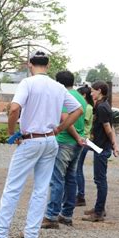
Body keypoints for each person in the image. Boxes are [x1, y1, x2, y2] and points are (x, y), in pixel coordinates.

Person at [0, 51, 83, 238]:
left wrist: (11, 133)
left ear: (30, 64)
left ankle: (0, 232)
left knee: (13, 186)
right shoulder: (58, 87)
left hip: (30, 139)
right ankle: (31, 234)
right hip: (50, 140)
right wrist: (60, 127)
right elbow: (78, 110)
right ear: (48, 64)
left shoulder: (28, 83)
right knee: (41, 188)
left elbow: (15, 108)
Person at [41, 71, 87, 229]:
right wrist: (79, 138)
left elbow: (65, 118)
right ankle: (67, 214)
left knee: (57, 179)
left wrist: (72, 135)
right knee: (71, 178)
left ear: (58, 83)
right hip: (78, 144)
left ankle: (51, 216)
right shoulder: (81, 97)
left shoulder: (62, 95)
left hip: (65, 142)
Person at [82, 81, 119, 222]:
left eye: (93, 91)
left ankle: (98, 212)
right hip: (99, 145)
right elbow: (110, 127)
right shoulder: (101, 106)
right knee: (99, 179)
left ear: (99, 91)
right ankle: (99, 208)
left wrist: (114, 144)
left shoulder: (102, 107)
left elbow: (108, 128)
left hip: (102, 148)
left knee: (100, 180)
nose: (91, 93)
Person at [75, 85, 94, 206]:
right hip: (83, 139)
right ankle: (79, 194)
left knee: (77, 168)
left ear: (84, 95)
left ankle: (80, 195)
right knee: (77, 168)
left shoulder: (87, 107)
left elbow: (82, 120)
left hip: (84, 139)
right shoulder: (87, 106)